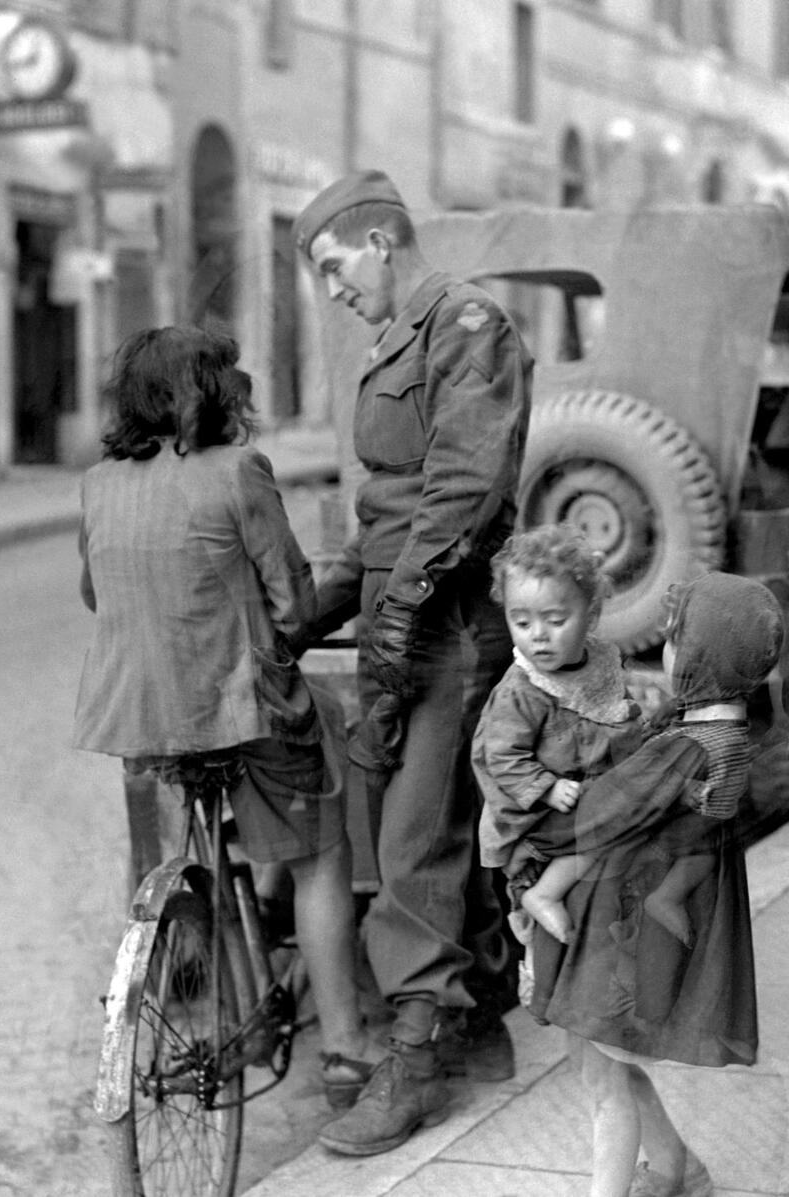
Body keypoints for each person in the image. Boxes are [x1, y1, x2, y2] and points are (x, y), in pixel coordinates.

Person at [73, 324, 381, 1109]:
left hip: (140, 719)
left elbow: (94, 595)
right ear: (213, 394)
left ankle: (238, 1001)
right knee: (320, 853)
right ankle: (346, 1049)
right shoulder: (239, 470)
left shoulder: (98, 482)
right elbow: (295, 600)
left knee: (208, 851)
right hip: (246, 712)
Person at [291, 168, 533, 1155]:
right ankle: (478, 1030)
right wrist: (318, 610)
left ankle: (419, 1057)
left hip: (446, 624)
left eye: (336, 266)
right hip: (404, 618)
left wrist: (393, 613)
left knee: (413, 846)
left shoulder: (466, 325)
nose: (334, 289)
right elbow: (388, 512)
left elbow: (466, 490)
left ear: (382, 241)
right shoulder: (400, 337)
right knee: (409, 828)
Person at [528, 571, 784, 1197]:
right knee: (606, 1061)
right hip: (650, 921)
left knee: (601, 1075)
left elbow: (602, 813)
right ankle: (677, 1170)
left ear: (699, 656)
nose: (666, 653)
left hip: (626, 933)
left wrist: (539, 808)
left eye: (673, 641)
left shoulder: (687, 747)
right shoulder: (732, 734)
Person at [472, 524, 645, 959]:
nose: (538, 635)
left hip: (584, 790)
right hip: (533, 812)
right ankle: (542, 893)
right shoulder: (522, 691)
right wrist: (547, 787)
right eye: (521, 621)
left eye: (555, 620)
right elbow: (502, 757)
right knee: (614, 822)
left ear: (591, 613)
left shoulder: (597, 660)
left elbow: (607, 711)